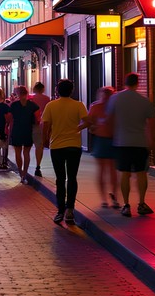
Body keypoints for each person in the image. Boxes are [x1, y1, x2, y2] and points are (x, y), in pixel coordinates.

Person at [107, 72, 155, 217]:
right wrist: (151, 140)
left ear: (125, 82)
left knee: (124, 174)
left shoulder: (115, 98)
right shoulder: (144, 101)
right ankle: (141, 203)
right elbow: (151, 124)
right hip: (140, 142)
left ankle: (126, 204)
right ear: (137, 83)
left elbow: (109, 119)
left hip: (121, 142)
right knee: (141, 173)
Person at [42, 79, 88, 224]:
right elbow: (88, 121)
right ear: (72, 90)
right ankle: (70, 209)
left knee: (60, 179)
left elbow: (46, 125)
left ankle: (60, 211)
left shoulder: (51, 105)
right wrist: (77, 129)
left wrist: (45, 140)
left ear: (57, 90)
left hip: (57, 146)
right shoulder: (78, 105)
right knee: (72, 177)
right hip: (74, 145)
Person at [81, 86, 118, 207]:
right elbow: (89, 123)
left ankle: (112, 196)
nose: (106, 98)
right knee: (105, 170)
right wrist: (93, 128)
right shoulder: (96, 107)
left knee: (111, 170)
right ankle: (105, 198)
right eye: (105, 95)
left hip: (112, 139)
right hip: (102, 139)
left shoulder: (114, 107)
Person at [8, 85, 40, 184]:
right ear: (26, 93)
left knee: (18, 152)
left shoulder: (13, 105)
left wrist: (9, 132)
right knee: (26, 152)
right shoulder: (33, 106)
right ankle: (24, 173)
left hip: (17, 130)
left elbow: (10, 120)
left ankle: (20, 172)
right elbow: (37, 120)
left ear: (17, 94)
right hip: (28, 130)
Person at [30, 82, 50, 177]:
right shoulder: (47, 99)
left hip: (29, 124)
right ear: (42, 89)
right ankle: (38, 166)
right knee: (39, 146)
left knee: (27, 146)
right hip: (41, 123)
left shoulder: (31, 98)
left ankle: (27, 164)